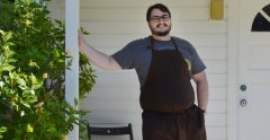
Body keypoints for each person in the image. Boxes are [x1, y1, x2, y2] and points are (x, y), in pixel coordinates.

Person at [79, 3, 208, 140]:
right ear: (148, 23)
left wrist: (201, 112)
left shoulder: (185, 46)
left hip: (190, 122)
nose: (161, 21)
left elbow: (201, 80)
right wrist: (83, 47)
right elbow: (109, 63)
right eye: (155, 18)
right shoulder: (138, 48)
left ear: (170, 20)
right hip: (157, 125)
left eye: (164, 17)